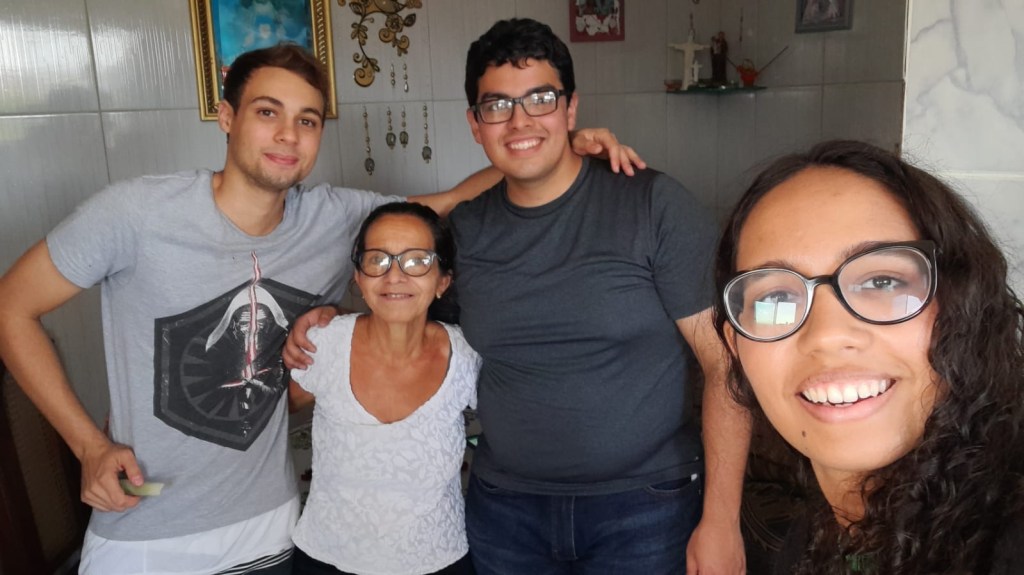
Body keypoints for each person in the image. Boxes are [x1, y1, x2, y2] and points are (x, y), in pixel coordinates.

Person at [0, 42, 636, 574]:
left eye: (307, 120)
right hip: (145, 527)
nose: (288, 134)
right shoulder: (135, 214)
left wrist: (557, 148)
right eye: (267, 112)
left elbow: (445, 205)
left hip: (273, 528)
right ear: (227, 117)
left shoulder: (336, 220)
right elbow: (11, 310)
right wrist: (87, 444)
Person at [457, 18, 748, 573]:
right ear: (475, 124)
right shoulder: (464, 229)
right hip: (505, 511)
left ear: (571, 109)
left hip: (646, 508)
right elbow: (388, 243)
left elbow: (724, 364)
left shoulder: (653, 205)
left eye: (540, 99)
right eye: (497, 106)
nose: (519, 121)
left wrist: (722, 519)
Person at [713, 140, 1024, 574]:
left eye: (882, 282)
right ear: (736, 347)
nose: (827, 335)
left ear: (963, 302)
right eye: (776, 297)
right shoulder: (814, 539)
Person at [288, 202, 480, 575]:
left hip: (438, 560)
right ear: (359, 278)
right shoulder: (323, 344)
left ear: (443, 281)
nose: (395, 276)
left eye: (417, 261)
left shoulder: (467, 354)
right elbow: (265, 418)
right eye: (377, 260)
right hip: (326, 559)